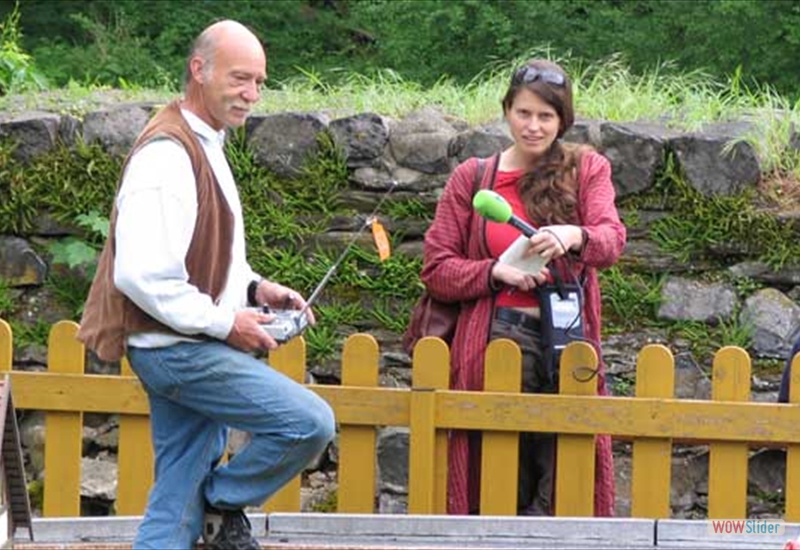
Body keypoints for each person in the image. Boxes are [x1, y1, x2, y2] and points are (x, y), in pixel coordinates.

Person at [77, 20, 335, 550]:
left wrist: (255, 290)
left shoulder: (204, 142)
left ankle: (205, 508)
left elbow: (206, 259)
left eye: (260, 82)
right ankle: (220, 499)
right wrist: (227, 323)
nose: (252, 94)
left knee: (175, 506)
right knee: (309, 423)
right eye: (241, 78)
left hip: (181, 343)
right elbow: (141, 274)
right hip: (178, 351)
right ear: (200, 70)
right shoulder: (166, 155)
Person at [420, 58, 625, 516]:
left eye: (546, 116)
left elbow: (611, 241)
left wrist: (574, 236)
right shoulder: (473, 179)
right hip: (495, 342)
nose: (533, 126)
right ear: (507, 110)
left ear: (563, 120)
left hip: (567, 344)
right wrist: (494, 272)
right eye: (523, 113)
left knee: (565, 480)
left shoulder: (587, 168)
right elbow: (436, 269)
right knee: (497, 482)